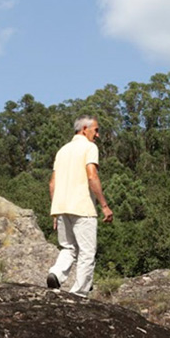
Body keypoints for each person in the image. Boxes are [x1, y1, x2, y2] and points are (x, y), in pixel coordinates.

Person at [46, 115, 113, 297]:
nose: (97, 135)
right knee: (86, 251)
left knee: (68, 248)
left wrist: (55, 212)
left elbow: (52, 183)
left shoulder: (62, 151)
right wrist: (104, 205)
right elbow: (92, 176)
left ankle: (56, 274)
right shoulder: (89, 147)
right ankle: (80, 292)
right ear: (85, 128)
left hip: (61, 207)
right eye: (96, 130)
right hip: (82, 206)